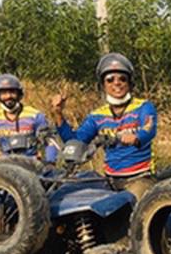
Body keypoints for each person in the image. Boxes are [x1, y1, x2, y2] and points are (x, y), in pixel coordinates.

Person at [52, 53, 158, 199]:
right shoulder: (96, 116)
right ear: (103, 85)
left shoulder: (144, 106)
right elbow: (75, 141)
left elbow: (149, 129)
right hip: (109, 179)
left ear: (130, 83)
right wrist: (58, 113)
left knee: (135, 210)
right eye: (110, 80)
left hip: (140, 177)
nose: (117, 83)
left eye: (122, 79)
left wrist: (136, 137)